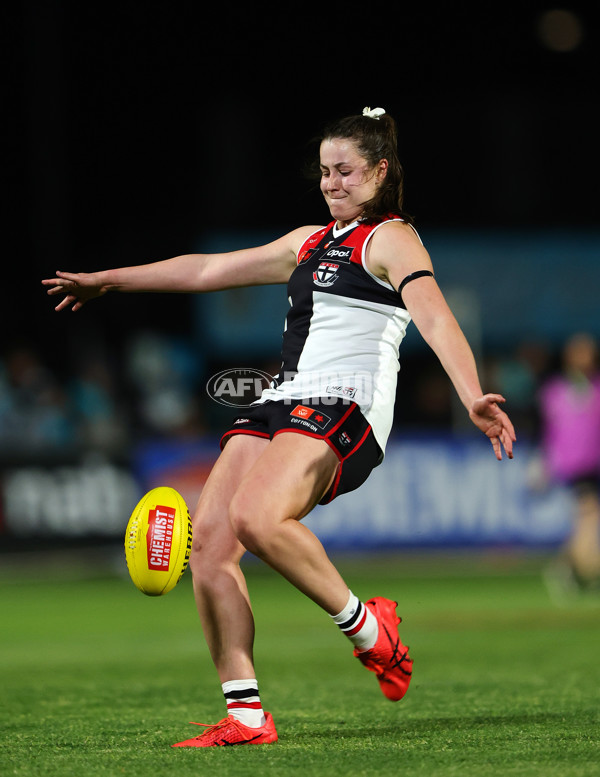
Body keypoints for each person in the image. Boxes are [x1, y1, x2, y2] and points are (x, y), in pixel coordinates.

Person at [42, 106, 516, 747]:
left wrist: (470, 394)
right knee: (209, 545)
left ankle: (369, 629)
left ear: (380, 171)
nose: (332, 183)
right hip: (284, 400)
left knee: (258, 519)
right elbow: (209, 269)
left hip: (344, 405)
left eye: (345, 171)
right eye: (324, 172)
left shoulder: (391, 238)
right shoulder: (309, 242)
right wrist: (112, 281)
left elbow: (433, 316)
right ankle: (245, 716)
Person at [538, 333, 600, 592]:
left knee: (586, 520)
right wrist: (546, 463)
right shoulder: (555, 391)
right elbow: (551, 431)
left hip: (595, 462)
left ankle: (569, 567)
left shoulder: (595, 387)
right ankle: (584, 569)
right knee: (589, 515)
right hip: (575, 465)